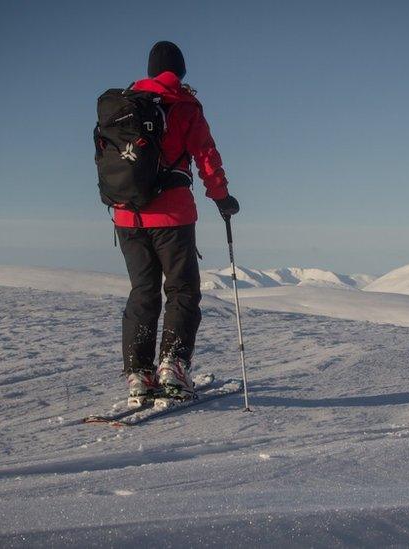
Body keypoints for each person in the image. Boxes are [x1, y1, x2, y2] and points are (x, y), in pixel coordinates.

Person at [112, 40, 240, 405]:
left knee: (142, 291)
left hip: (126, 214)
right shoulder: (184, 106)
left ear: (150, 70)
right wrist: (222, 198)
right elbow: (206, 156)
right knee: (182, 291)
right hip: (172, 216)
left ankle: (138, 374)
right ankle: (173, 367)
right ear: (180, 71)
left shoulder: (124, 104)